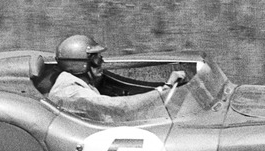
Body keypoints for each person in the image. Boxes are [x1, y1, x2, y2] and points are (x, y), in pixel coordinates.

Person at [47, 35, 185, 121]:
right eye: (96, 60)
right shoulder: (71, 93)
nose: (101, 63)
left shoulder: (76, 83)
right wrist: (165, 89)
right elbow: (121, 107)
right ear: (80, 64)